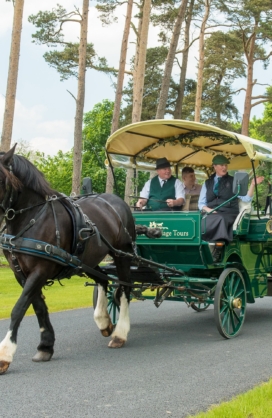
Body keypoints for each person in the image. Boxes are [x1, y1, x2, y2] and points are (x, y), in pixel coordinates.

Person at [198, 154, 264, 245]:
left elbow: (246, 198)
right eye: (222, 165)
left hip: (228, 213)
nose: (224, 167)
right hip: (210, 213)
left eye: (226, 165)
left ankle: (218, 244)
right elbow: (201, 204)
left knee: (220, 218)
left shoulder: (234, 181)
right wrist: (209, 210)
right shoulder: (207, 183)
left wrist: (252, 185)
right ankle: (201, 242)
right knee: (198, 219)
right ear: (214, 166)